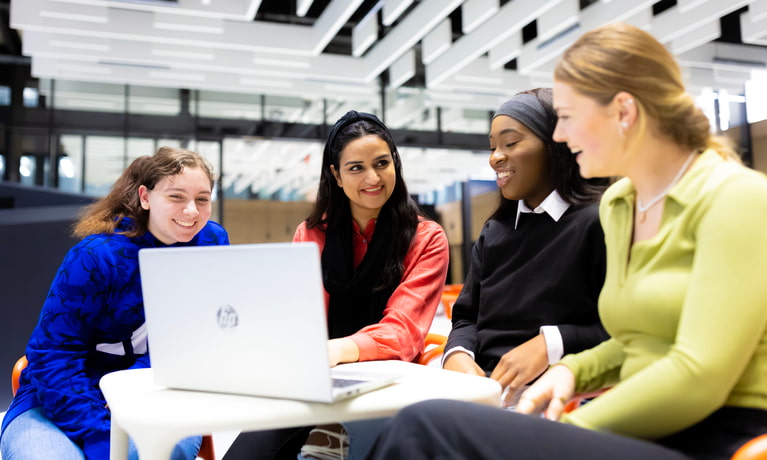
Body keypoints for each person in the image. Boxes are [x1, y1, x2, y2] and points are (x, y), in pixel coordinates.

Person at [365, 22, 767, 460]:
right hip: (635, 429)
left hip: (715, 438)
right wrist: (574, 371)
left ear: (624, 112)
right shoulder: (622, 204)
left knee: (424, 427)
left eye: (570, 117)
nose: (559, 134)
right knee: (421, 428)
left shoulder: (739, 199)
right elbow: (635, 343)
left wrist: (568, 429)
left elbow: (698, 376)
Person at [222, 110, 450, 460]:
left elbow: (402, 332)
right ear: (336, 175)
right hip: (314, 377)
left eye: (381, 163)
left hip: (386, 382)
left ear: (396, 164)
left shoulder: (425, 238)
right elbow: (298, 318)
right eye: (356, 168)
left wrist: (335, 351)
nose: (372, 178)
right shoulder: (312, 233)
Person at [0, 147, 230, 460]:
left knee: (155, 453)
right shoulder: (97, 257)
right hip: (57, 398)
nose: (191, 211)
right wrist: (99, 434)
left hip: (155, 392)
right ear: (146, 197)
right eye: (176, 196)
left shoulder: (211, 243)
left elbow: (195, 338)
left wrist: (131, 386)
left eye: (202, 199)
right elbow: (51, 355)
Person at [442, 88, 609, 406]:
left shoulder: (597, 221)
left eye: (510, 143)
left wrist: (550, 343)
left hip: (560, 397)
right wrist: (457, 354)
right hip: (486, 394)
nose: (495, 157)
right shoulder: (493, 232)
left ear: (554, 145)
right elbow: (466, 318)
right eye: (492, 147)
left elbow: (620, 330)